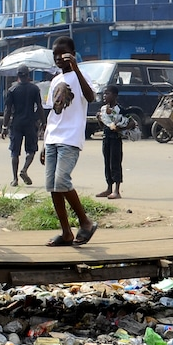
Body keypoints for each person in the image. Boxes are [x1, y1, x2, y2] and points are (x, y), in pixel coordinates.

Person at [40, 36, 98, 246]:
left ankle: (85, 223)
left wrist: (76, 67)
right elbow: (52, 114)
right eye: (55, 54)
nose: (58, 58)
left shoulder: (81, 76)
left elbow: (90, 97)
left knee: (62, 180)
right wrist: (44, 142)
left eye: (62, 54)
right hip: (53, 138)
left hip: (70, 138)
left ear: (72, 53)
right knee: (53, 186)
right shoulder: (55, 80)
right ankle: (66, 232)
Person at [0, 65, 43, 187]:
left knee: (15, 152)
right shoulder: (34, 89)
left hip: (16, 124)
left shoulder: (12, 90)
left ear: (17, 75)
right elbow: (39, 106)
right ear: (28, 75)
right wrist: (43, 122)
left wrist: (4, 127)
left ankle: (15, 179)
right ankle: (24, 170)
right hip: (30, 123)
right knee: (31, 150)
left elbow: (8, 110)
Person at [95, 86, 131, 199]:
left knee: (115, 163)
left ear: (115, 95)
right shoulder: (103, 109)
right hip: (106, 138)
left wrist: (119, 129)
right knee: (107, 163)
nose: (105, 96)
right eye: (104, 94)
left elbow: (130, 123)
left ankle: (117, 190)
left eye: (108, 93)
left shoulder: (120, 109)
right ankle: (109, 188)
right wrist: (99, 119)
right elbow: (103, 126)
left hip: (116, 139)